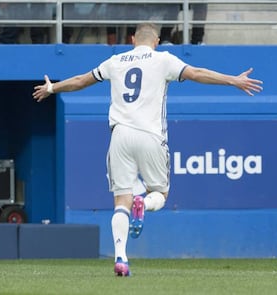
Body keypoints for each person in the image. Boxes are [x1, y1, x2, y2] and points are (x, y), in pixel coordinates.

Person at [32, 23, 263, 276]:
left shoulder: (115, 61)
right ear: (157, 41)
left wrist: (52, 88)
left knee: (121, 201)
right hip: (150, 135)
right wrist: (234, 80)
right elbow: (196, 73)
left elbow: (80, 81)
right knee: (161, 193)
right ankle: (144, 202)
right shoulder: (163, 59)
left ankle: (121, 258)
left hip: (119, 135)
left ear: (132, 39)